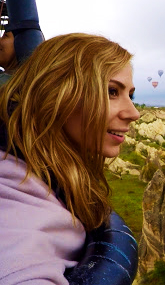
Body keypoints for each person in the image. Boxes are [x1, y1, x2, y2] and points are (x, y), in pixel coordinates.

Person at [0, 32, 140, 284]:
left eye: (130, 94)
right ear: (57, 94)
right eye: (111, 91)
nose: (134, 113)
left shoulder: (37, 171)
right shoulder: (18, 205)